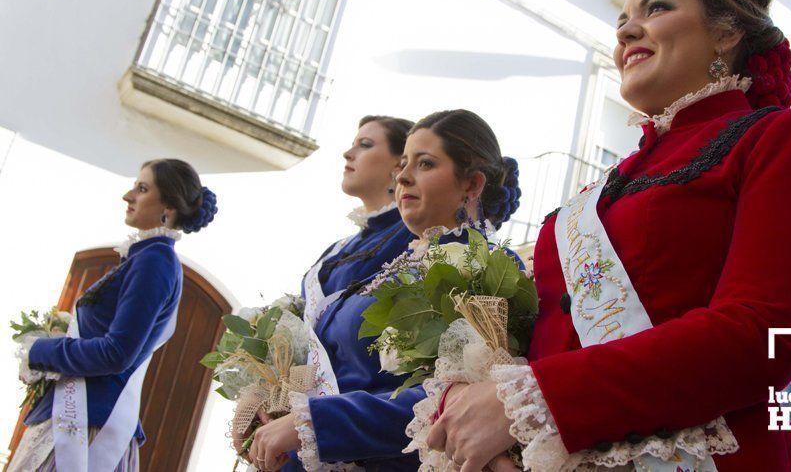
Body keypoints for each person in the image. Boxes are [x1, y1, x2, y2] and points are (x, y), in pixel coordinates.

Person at [427, 0, 791, 471]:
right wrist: (477, 406)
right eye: (622, 20)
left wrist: (542, 402)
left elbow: (771, 337)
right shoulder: (599, 190)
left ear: (727, 31)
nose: (626, 32)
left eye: (655, 9)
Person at [246, 109, 521, 471]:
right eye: (403, 163)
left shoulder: (486, 267)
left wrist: (313, 422)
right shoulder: (398, 265)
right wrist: (267, 404)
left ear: (471, 185)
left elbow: (453, 403)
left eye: (424, 164)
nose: (403, 176)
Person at [10, 159, 217, 471]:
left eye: (142, 188)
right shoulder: (147, 257)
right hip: (79, 417)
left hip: (91, 429)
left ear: (169, 208)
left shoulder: (154, 261)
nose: (128, 195)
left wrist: (41, 350)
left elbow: (116, 352)